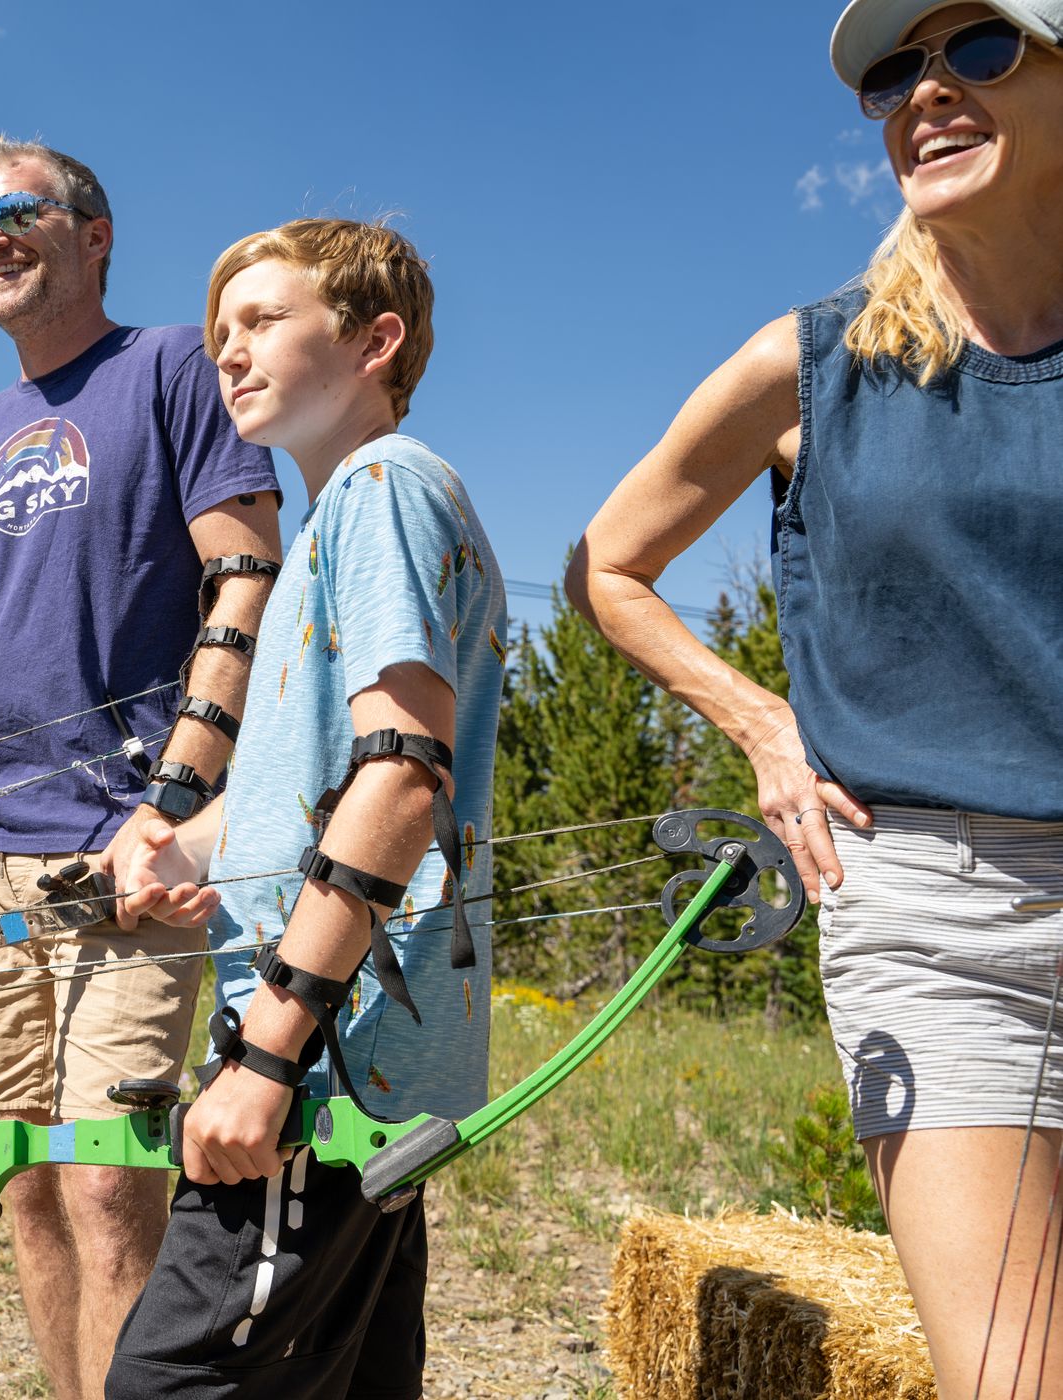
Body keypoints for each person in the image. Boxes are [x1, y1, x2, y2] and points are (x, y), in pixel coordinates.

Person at [568, 2, 1063, 1391]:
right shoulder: (817, 362)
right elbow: (611, 562)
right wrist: (765, 727)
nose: (926, 91)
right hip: (934, 924)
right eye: (896, 73)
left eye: (979, 50)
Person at [0, 137, 282, 1399]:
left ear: (94, 234)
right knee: (26, 1183)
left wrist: (178, 804)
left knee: (107, 1181)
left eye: (18, 210)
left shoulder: (171, 370)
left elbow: (243, 579)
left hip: (123, 848)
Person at [105, 218, 505, 1400]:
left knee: (167, 1383)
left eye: (265, 321)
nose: (229, 350)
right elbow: (308, 785)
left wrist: (266, 1053)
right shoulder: (337, 522)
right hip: (348, 1049)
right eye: (221, 331)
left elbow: (400, 772)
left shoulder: (384, 484)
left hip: (327, 1060)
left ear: (377, 340)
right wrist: (177, 839)